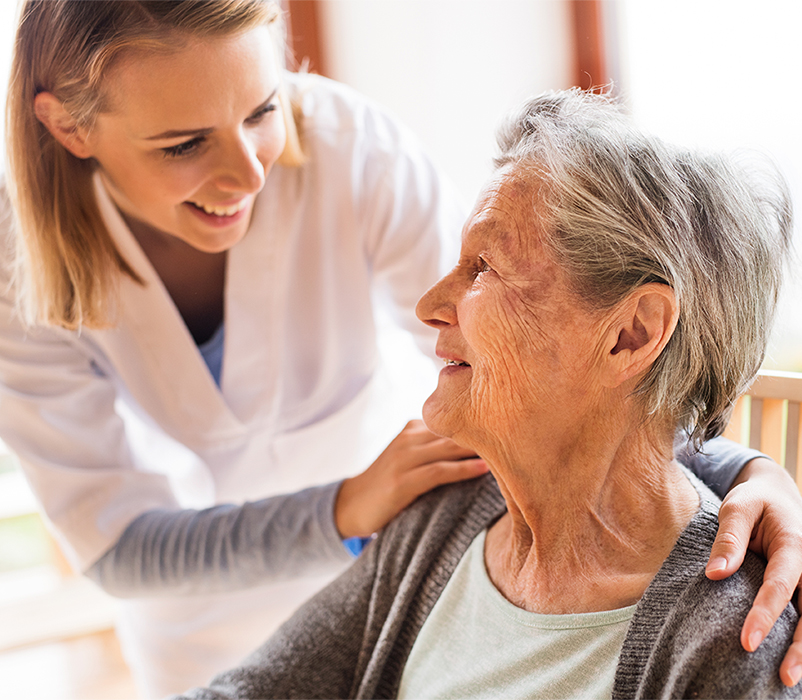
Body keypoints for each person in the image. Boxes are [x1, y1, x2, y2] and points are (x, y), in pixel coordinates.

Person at [0, 0, 799, 695]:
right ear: (69, 126)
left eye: (263, 111)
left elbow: (563, 364)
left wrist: (750, 473)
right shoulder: (17, 269)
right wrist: (346, 508)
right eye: (183, 145)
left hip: (403, 531)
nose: (250, 171)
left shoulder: (353, 151)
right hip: (224, 615)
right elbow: (120, 543)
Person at [172, 89, 800, 700]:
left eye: (484, 269)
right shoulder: (445, 510)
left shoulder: (733, 641)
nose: (429, 306)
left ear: (629, 335)